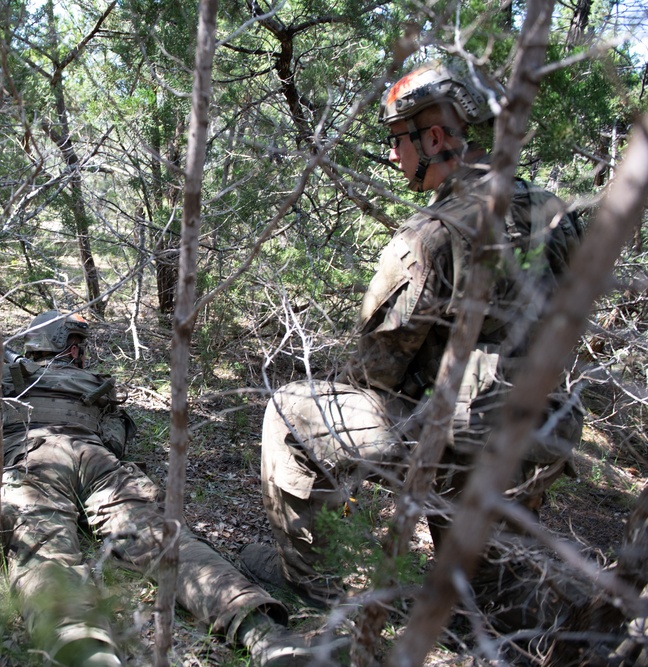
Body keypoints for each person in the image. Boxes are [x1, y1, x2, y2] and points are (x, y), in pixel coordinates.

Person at [243, 59, 585, 635]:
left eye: (397, 140)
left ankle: (313, 579)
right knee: (488, 610)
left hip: (463, 446)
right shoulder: (554, 211)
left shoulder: (431, 234)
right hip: (541, 435)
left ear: (434, 136)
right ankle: (495, 601)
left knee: (290, 409)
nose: (394, 156)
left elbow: (377, 366)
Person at [0, 310, 320, 666]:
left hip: (32, 460)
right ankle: (265, 635)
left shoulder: (2, 380)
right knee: (164, 538)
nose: (82, 351)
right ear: (62, 344)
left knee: (43, 548)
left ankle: (84, 650)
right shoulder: (94, 383)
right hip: (95, 459)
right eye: (77, 342)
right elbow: (114, 441)